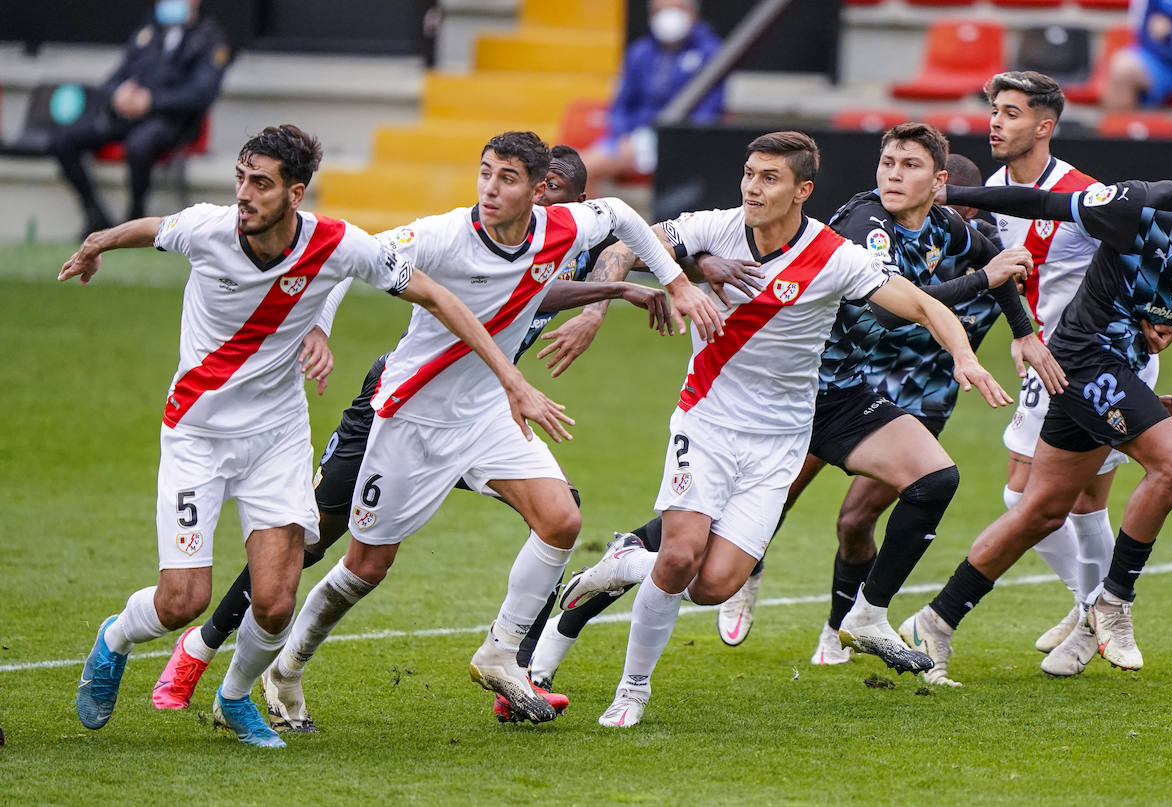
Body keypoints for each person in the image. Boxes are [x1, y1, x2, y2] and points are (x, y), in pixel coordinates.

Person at [66, 124, 571, 747]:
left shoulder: (338, 244)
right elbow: (151, 228)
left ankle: (235, 697)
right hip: (197, 435)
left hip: (276, 438)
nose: (244, 196)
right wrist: (96, 243)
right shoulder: (208, 228)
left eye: (261, 184)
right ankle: (115, 638)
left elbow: (435, 295)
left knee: (276, 601)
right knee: (181, 600)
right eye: (241, 179)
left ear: (295, 193)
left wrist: (512, 379)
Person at [145, 144, 671, 726]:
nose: (508, 193)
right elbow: (352, 256)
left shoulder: (559, 236)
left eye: (520, 183)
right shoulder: (446, 235)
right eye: (489, 176)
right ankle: (233, 655)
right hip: (400, 410)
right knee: (328, 545)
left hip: (486, 412)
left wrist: (647, 286)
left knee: (561, 517)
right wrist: (318, 328)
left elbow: (624, 232)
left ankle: (503, 657)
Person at [532, 126, 1055, 685]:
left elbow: (986, 273)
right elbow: (894, 307)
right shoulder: (864, 225)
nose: (892, 175)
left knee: (932, 481)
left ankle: (866, 614)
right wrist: (650, 285)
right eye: (887, 162)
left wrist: (1014, 335)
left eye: (909, 165)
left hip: (834, 394)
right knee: (683, 542)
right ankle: (584, 607)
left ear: (941, 184)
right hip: (766, 400)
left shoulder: (945, 228)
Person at [907, 125, 1172, 684]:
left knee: (1039, 509)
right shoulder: (1139, 203)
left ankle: (933, 623)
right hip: (1083, 356)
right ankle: (1112, 602)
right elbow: (1042, 202)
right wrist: (949, 194)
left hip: (1122, 366)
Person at [964, 70, 1165, 679]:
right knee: (1023, 494)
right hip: (1047, 360)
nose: (996, 122)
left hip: (1103, 360)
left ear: (1044, 127)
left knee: (1078, 501)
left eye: (1012, 113)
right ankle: (1091, 609)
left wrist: (1157, 316)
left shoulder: (1083, 194)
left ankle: (1096, 615)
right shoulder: (993, 191)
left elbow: (1145, 256)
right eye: (994, 110)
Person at [51, 0, 230, 236]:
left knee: (140, 145)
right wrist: (119, 94)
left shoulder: (210, 40)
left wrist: (151, 100)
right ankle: (95, 213)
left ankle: (136, 218)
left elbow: (201, 93)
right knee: (64, 140)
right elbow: (115, 78)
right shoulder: (147, 34)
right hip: (128, 116)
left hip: (173, 122)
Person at [583, 0, 724, 196]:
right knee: (578, 171)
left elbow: (710, 110)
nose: (669, 16)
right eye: (661, 10)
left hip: (681, 139)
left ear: (694, 14)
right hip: (636, 138)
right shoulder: (639, 52)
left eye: (677, 9)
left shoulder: (711, 53)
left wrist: (676, 141)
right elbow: (621, 106)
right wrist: (622, 137)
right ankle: (590, 226)